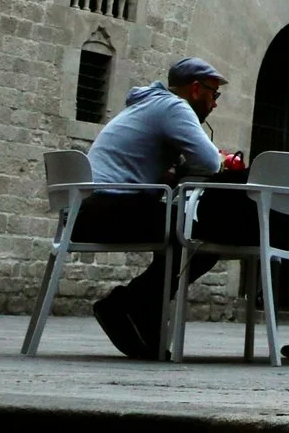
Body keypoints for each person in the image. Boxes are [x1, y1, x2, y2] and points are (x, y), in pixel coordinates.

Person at [81, 57, 233, 359]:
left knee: (181, 233)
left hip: (87, 208)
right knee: (202, 237)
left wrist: (171, 170)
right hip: (110, 207)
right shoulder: (173, 107)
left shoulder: (146, 105)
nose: (215, 104)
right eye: (213, 95)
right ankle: (129, 305)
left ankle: (143, 313)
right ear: (195, 89)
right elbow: (210, 161)